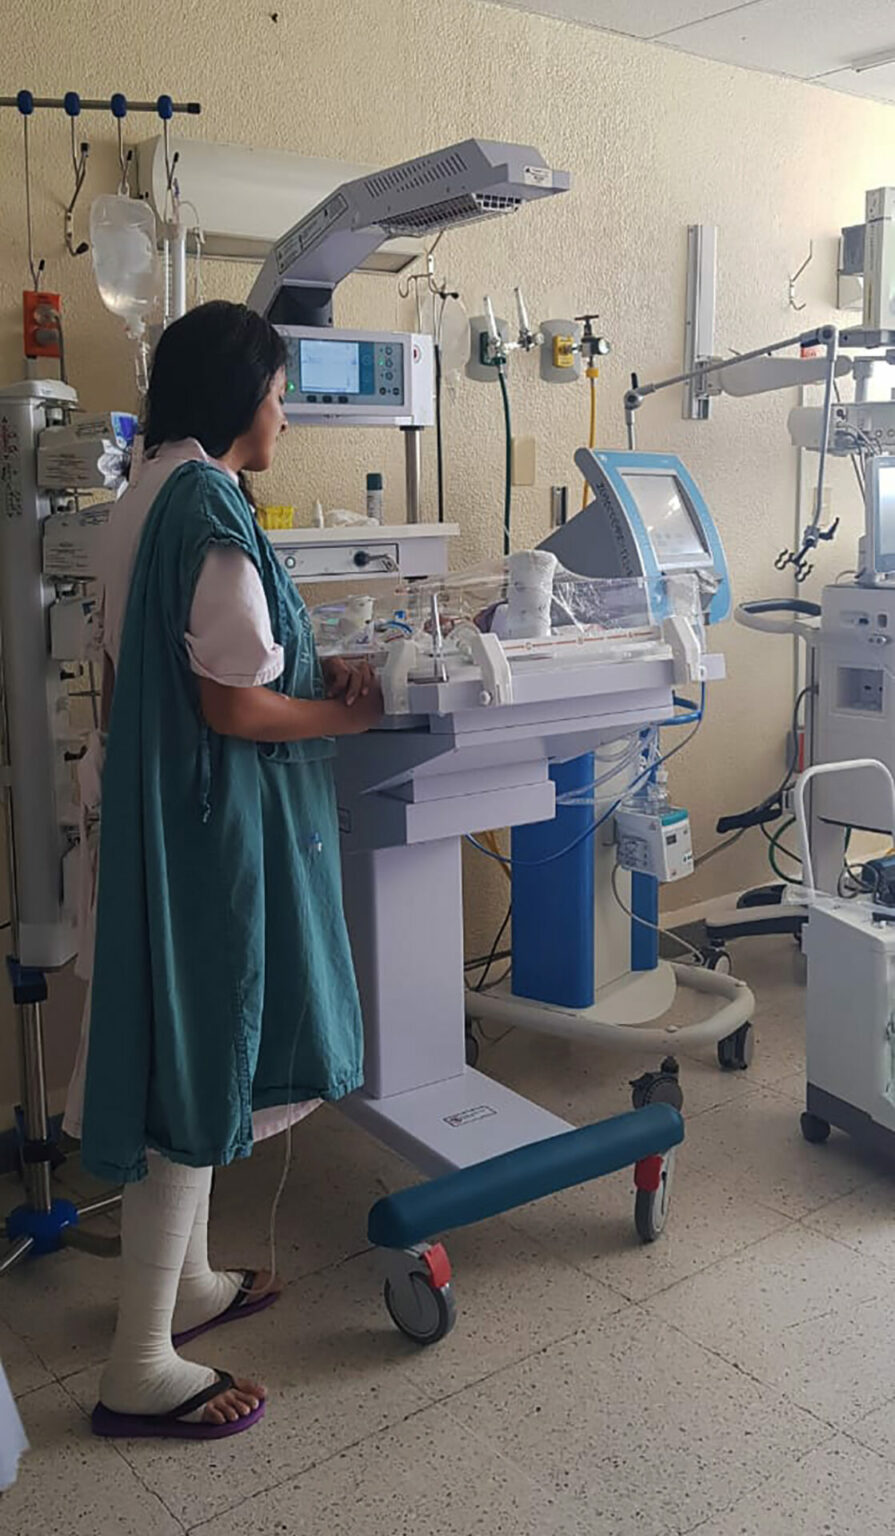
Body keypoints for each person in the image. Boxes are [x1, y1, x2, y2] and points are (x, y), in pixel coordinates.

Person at [64, 301, 381, 1441]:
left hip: (149, 814)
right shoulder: (206, 504)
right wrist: (346, 718)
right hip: (202, 831)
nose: (285, 415)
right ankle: (139, 1365)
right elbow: (232, 705)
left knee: (182, 1052)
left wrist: (308, 666)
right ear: (241, 395)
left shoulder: (146, 490)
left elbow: (167, 658)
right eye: (281, 394)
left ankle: (189, 1285)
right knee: (194, 1069)